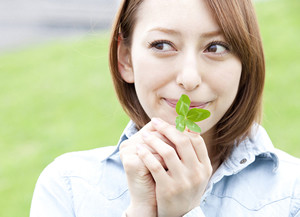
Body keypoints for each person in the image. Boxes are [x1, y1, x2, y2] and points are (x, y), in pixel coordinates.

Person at [30, 0, 300, 216]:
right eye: (162, 45)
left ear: (245, 60)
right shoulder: (69, 187)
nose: (190, 78)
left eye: (215, 47)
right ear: (126, 58)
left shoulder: (292, 193)